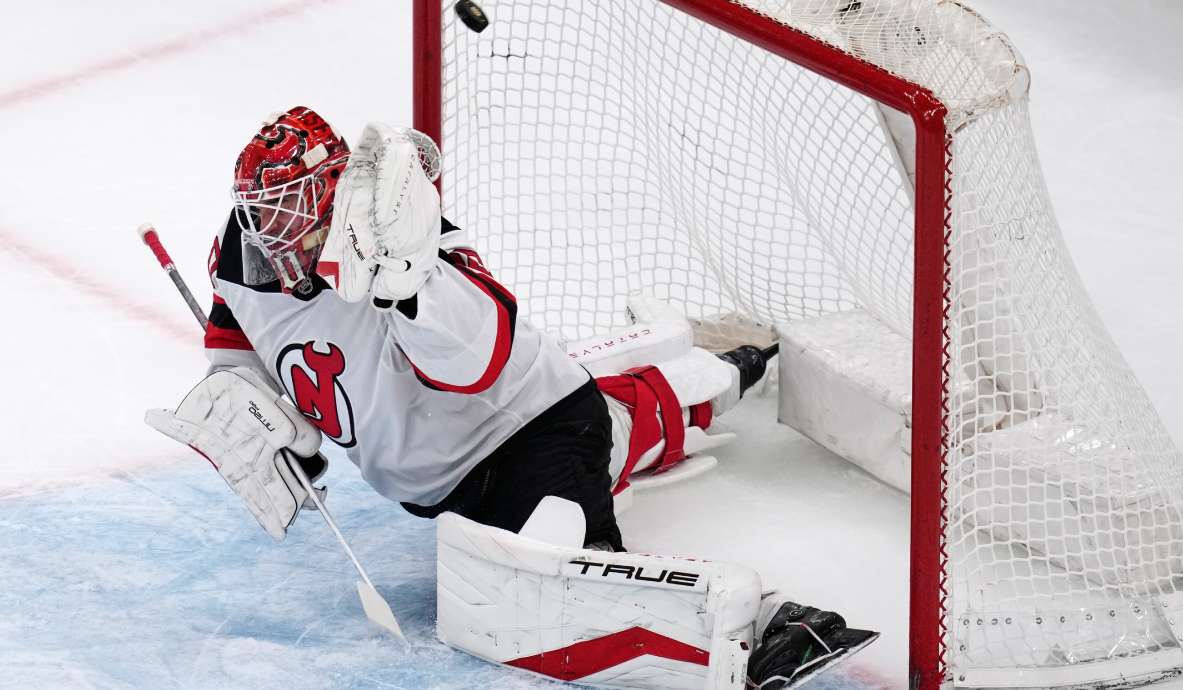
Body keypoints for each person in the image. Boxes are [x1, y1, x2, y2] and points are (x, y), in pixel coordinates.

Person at [147, 106, 875, 689]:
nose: (274, 230)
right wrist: (240, 395)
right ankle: (704, 376)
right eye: (262, 210)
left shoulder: (411, 245)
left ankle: (775, 626)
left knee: (553, 585)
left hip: (534, 431)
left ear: (335, 190)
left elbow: (476, 363)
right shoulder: (245, 249)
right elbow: (237, 318)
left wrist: (414, 287)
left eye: (292, 207)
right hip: (447, 482)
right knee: (623, 426)